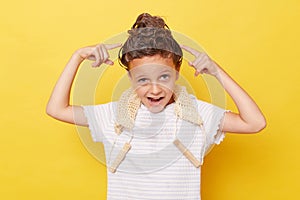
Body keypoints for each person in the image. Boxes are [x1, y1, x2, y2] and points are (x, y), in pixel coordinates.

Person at [46, 13, 266, 200]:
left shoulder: (197, 116)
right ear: (131, 78)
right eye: (142, 79)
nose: (154, 89)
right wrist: (77, 57)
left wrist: (217, 72)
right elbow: (56, 109)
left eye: (163, 76)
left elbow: (255, 122)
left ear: (177, 73)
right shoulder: (114, 117)